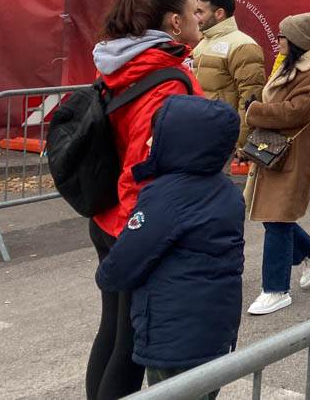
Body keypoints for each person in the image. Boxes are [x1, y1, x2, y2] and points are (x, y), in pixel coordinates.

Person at [86, 0, 203, 400]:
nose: (203, 16)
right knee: (131, 343)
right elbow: (142, 166)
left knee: (111, 327)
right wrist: (142, 236)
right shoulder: (163, 81)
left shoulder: (127, 54)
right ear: (175, 25)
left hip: (105, 214)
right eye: (195, 11)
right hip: (132, 219)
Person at [95, 95, 244, 399]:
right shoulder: (227, 191)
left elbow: (127, 259)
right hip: (214, 332)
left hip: (172, 336)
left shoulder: (165, 197)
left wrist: (105, 274)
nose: (150, 142)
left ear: (180, 142)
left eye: (157, 135)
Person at [242, 12, 310, 316]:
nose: (278, 40)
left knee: (277, 219)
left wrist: (254, 111)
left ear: (294, 40)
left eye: (282, 35)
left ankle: (275, 289)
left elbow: (294, 112)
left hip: (295, 153)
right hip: (278, 151)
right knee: (275, 216)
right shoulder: (290, 66)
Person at [192, 0, 266, 149]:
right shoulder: (202, 43)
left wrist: (241, 142)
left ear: (219, 13)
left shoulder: (243, 45)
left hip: (223, 137)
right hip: (201, 133)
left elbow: (250, 97)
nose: (196, 17)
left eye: (200, 12)